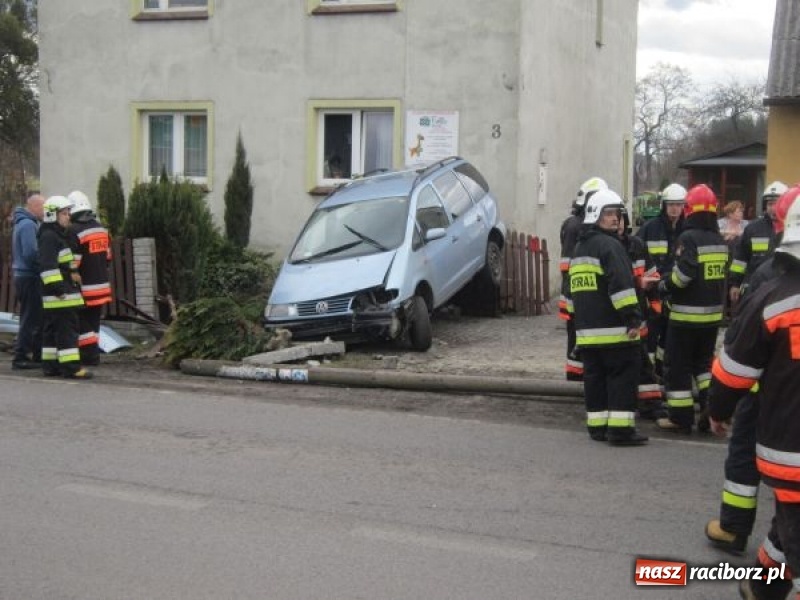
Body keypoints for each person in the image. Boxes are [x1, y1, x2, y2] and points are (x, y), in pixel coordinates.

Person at [707, 191, 800, 600]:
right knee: (791, 524)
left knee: (792, 525)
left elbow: (733, 370)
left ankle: (765, 590)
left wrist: (718, 411)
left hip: (789, 445)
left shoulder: (774, 298)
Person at [565, 188, 647, 445]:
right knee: (622, 379)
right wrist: (633, 318)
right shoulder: (611, 246)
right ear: (595, 215)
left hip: (588, 335)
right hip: (615, 333)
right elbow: (621, 286)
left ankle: (597, 427)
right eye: (609, 213)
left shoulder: (579, 248)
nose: (615, 219)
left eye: (617, 213)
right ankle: (621, 431)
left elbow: (571, 291)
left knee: (595, 381)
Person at [656, 184, 727, 434]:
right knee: (703, 366)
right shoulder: (719, 239)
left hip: (685, 317)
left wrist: (664, 285)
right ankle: (710, 415)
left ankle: (680, 418)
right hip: (712, 318)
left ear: (689, 210)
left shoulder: (688, 238)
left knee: (677, 367)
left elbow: (683, 276)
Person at [558, 176, 608, 382]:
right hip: (576, 293)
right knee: (576, 337)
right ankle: (576, 379)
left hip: (579, 292)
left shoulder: (580, 224)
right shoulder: (575, 226)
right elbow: (567, 266)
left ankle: (581, 376)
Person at [38, 195, 92, 379]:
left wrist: (73, 273)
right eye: (64, 213)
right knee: (67, 333)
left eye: (68, 212)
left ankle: (51, 366)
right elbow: (47, 267)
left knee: (52, 333)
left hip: (58, 296)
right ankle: (72, 368)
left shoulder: (54, 235)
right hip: (61, 297)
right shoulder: (50, 236)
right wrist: (59, 289)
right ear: (52, 215)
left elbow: (62, 264)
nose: (68, 216)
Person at [618, 208, 665, 419]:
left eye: (620, 218)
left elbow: (652, 276)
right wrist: (639, 284)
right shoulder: (606, 247)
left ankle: (649, 405)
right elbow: (611, 284)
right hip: (619, 318)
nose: (617, 222)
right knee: (629, 364)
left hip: (639, 315)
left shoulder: (636, 245)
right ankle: (631, 404)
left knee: (644, 364)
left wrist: (655, 307)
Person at [635, 182, 686, 376]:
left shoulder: (687, 230)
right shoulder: (650, 228)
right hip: (653, 293)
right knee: (650, 334)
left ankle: (661, 370)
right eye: (671, 204)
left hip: (676, 292)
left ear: (683, 206)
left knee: (668, 336)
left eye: (678, 204)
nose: (675, 208)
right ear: (664, 205)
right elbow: (636, 253)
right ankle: (647, 374)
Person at [67, 190, 112, 366]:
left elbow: (74, 264)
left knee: (80, 320)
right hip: (101, 286)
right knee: (94, 321)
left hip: (84, 287)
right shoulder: (101, 229)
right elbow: (108, 258)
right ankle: (94, 353)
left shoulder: (74, 231)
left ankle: (89, 354)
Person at [729, 181, 788, 305]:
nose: (773, 208)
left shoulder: (793, 228)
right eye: (770, 204)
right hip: (756, 291)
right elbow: (740, 258)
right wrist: (735, 283)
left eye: (777, 203)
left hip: (784, 291)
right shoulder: (753, 229)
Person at [10, 193, 45, 369]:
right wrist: (45, 266)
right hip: (29, 276)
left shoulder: (23, 223)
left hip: (24, 276)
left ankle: (34, 354)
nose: (45, 211)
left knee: (33, 316)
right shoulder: (28, 225)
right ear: (33, 206)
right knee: (31, 317)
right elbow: (31, 253)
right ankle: (21, 357)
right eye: (42, 207)